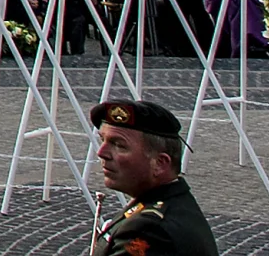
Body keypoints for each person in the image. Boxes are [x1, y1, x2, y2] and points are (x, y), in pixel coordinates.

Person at [85, 100, 214, 256]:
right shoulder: (175, 204)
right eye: (102, 140)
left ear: (160, 164)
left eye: (119, 145)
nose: (101, 152)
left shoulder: (149, 231)